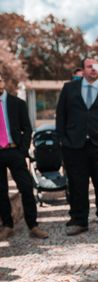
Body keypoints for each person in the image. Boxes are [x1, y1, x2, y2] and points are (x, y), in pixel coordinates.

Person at [55, 58, 98, 235]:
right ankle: (79, 220)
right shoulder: (69, 89)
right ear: (83, 69)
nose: (94, 69)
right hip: (74, 146)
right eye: (90, 67)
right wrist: (63, 141)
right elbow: (61, 116)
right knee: (77, 184)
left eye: (96, 67)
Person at [0, 73, 48, 240]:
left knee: (26, 187)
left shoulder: (17, 103)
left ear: (2, 81)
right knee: (1, 191)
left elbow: (27, 128)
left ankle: (33, 225)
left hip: (15, 151)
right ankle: (7, 225)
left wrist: (22, 150)